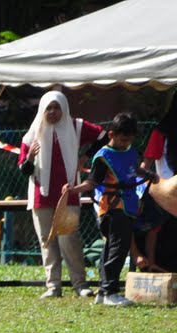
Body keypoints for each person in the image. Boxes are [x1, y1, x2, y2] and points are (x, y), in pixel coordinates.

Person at [19, 91, 101, 299]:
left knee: (69, 239)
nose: (53, 112)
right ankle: (53, 285)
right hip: (41, 195)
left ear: (64, 108)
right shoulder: (32, 134)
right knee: (47, 241)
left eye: (57, 107)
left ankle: (80, 283)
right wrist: (29, 158)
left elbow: (103, 137)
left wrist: (86, 156)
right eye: (49, 108)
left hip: (68, 194)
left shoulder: (76, 126)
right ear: (42, 110)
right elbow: (23, 170)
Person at [76, 112, 142, 308]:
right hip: (113, 208)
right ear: (111, 134)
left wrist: (147, 174)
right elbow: (92, 181)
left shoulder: (130, 151)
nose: (125, 143)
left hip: (128, 205)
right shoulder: (104, 156)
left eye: (129, 140)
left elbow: (133, 169)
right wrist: (74, 190)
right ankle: (110, 292)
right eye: (122, 139)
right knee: (117, 250)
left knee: (110, 248)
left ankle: (104, 291)